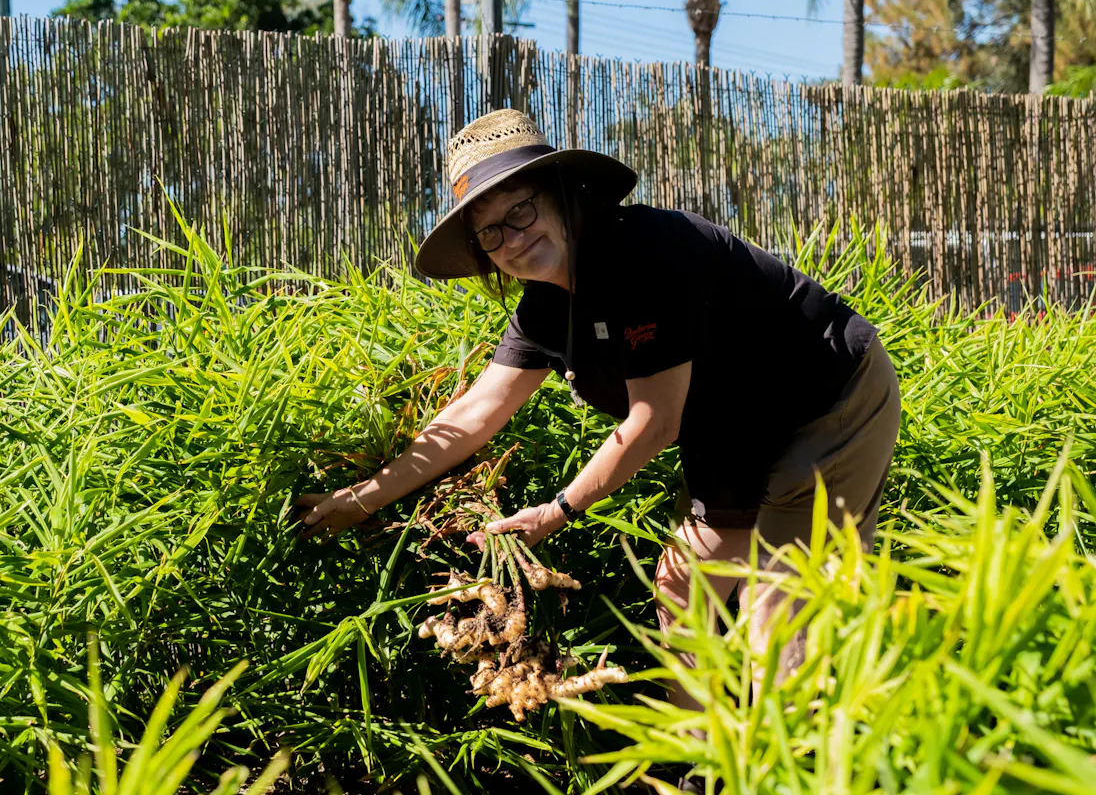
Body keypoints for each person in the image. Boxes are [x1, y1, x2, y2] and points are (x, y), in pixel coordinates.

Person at [295, 108, 901, 707]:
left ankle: (795, 784)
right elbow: (476, 411)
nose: (512, 237)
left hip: (822, 402)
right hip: (730, 428)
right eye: (491, 232)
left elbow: (653, 422)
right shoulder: (545, 309)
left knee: (784, 612)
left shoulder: (638, 256)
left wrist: (558, 510)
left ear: (561, 195)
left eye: (521, 210)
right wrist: (359, 498)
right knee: (683, 582)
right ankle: (703, 775)